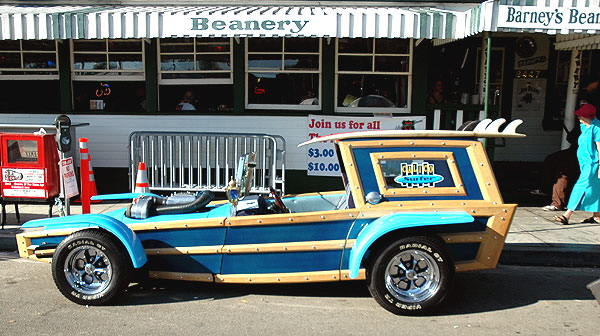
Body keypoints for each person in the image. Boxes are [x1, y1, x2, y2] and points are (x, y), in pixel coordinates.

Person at [553, 103, 600, 225]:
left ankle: (567, 214)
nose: (579, 119)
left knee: (581, 185)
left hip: (592, 163)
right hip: (584, 162)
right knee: (595, 187)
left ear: (587, 117)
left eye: (581, 116)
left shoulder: (597, 128)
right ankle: (597, 215)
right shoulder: (584, 126)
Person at [540, 128, 580, 211]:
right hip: (575, 150)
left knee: (564, 171)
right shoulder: (582, 125)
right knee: (551, 159)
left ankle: (558, 203)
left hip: (588, 153)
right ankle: (546, 189)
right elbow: (570, 137)